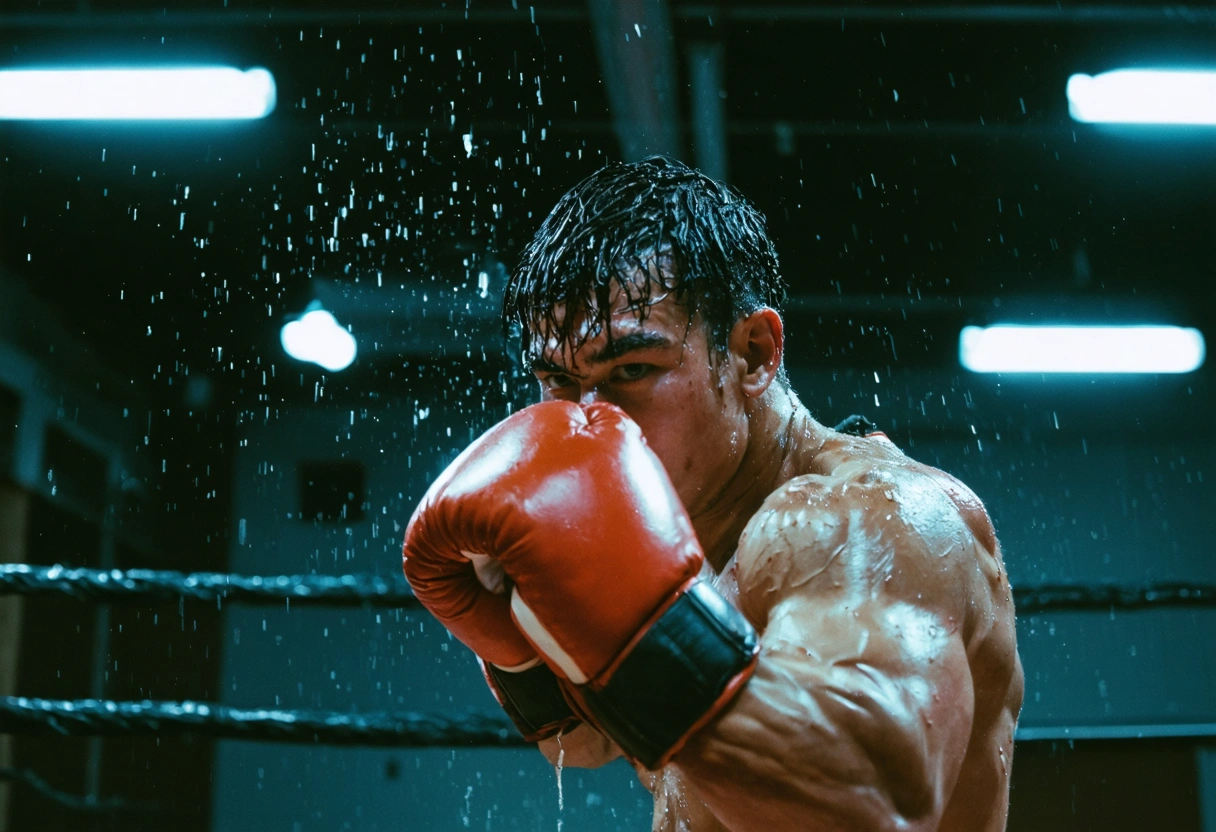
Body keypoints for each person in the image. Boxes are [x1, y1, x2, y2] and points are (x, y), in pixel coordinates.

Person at [403, 157, 1024, 831]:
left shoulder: (868, 522)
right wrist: (511, 640)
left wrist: (647, 651)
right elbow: (579, 742)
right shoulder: (677, 533)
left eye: (631, 370)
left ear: (754, 354)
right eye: (559, 383)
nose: (592, 422)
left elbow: (875, 802)